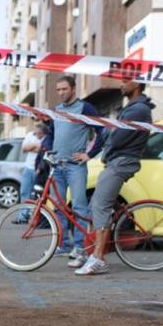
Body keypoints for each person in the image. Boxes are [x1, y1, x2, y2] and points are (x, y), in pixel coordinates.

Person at [76, 79, 154, 276]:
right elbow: (110, 134)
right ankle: (95, 250)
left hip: (121, 162)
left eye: (125, 81)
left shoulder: (138, 110)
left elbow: (117, 137)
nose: (121, 85)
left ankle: (98, 259)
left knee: (100, 205)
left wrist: (110, 135)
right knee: (96, 204)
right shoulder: (132, 107)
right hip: (116, 161)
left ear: (136, 84)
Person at [47, 75, 103, 268]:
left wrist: (90, 154)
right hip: (57, 166)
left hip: (75, 167)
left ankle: (80, 249)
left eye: (64, 89)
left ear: (73, 89)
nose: (61, 93)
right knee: (59, 207)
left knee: (79, 207)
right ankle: (63, 245)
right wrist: (47, 149)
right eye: (58, 90)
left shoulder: (85, 108)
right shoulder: (56, 110)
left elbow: (103, 130)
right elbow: (51, 133)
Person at [14, 123, 46, 223]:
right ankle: (22, 217)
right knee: (24, 192)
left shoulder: (47, 137)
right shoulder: (30, 135)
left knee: (38, 195)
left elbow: (44, 151)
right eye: (36, 133)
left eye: (40, 134)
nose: (38, 135)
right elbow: (24, 149)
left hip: (40, 169)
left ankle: (36, 218)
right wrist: (37, 146)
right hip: (28, 168)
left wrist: (32, 147)